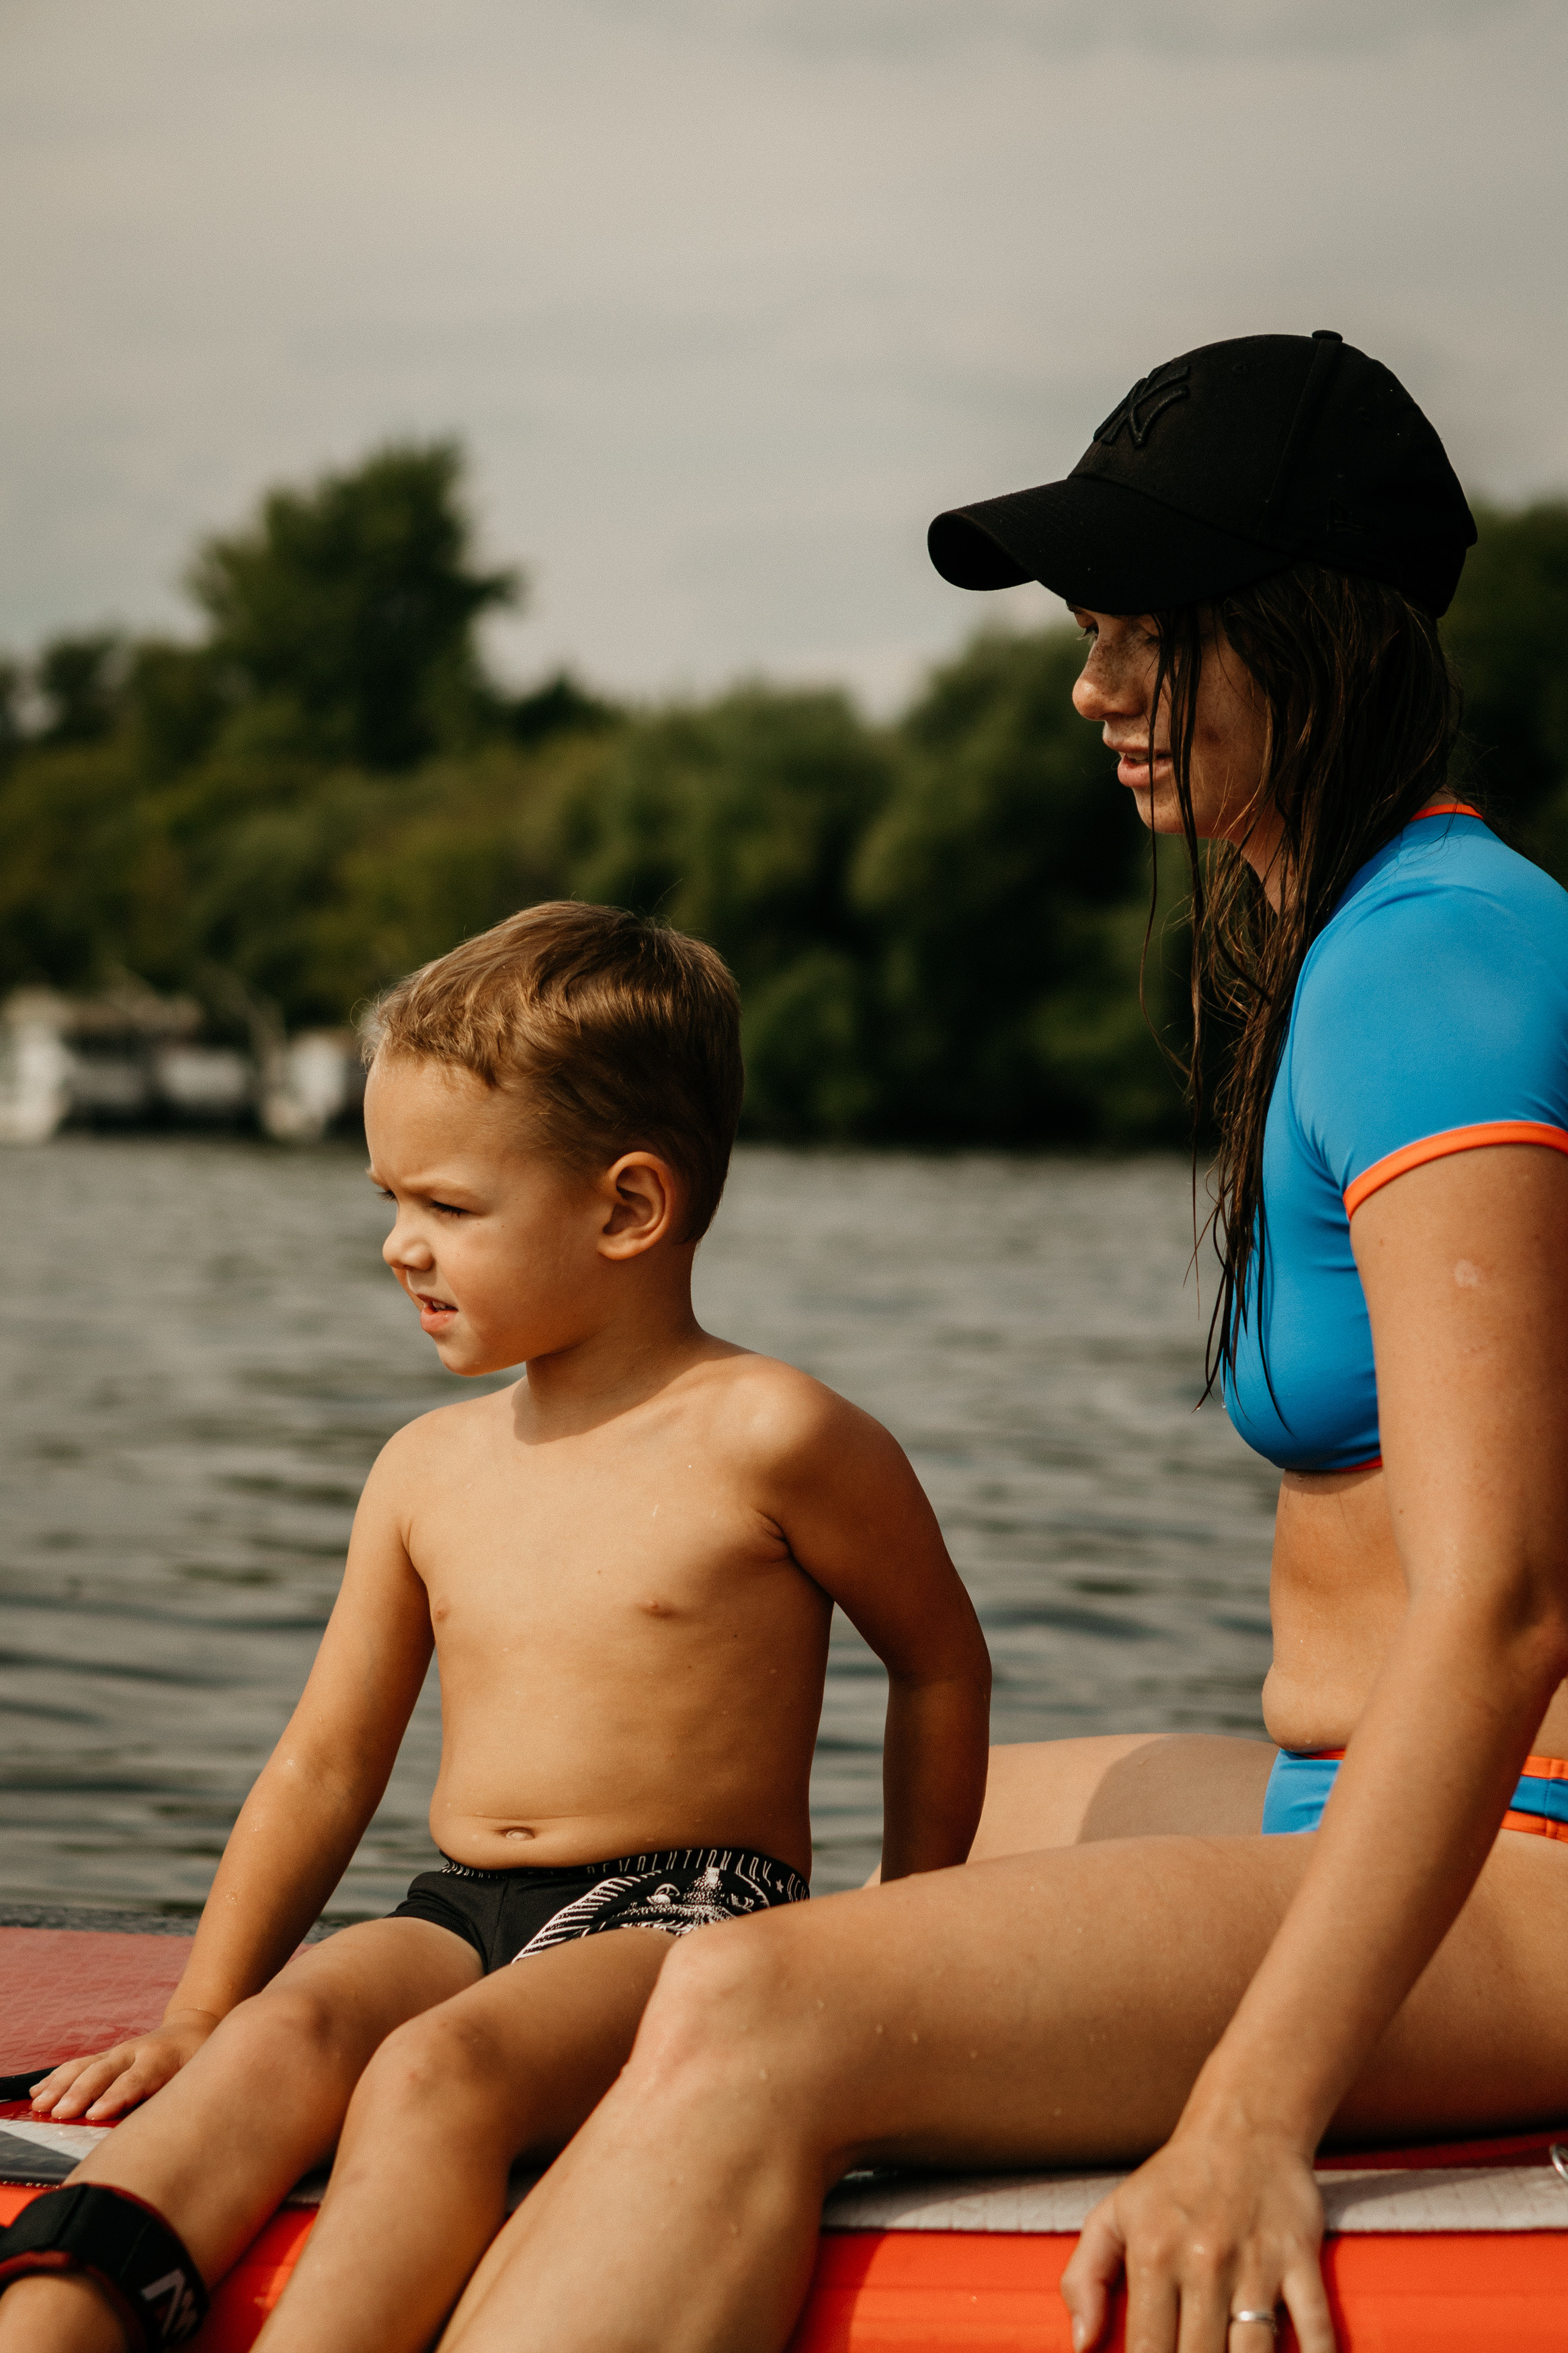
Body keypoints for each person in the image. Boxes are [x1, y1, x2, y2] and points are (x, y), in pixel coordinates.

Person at [417, 333, 1568, 2353]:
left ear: (1306, 638)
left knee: (755, 1995)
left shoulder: (1432, 961)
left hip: (1531, 1870)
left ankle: (701, 2125)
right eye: (1085, 631)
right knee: (752, 1846)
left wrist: (1243, 2109)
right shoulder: (1381, 931)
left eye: (1142, 634)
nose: (1087, 687)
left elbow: (1501, 1599)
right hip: (1354, 1795)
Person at [0, 901, 992, 2353]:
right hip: (458, 1900)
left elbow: (941, 1661)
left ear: (627, 1208)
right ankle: (59, 2322)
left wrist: (907, 1941)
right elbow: (324, 1766)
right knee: (280, 2037)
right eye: (389, 1199)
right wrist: (203, 2004)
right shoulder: (426, 1469)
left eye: (450, 1208)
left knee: (433, 2072)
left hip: (688, 1911)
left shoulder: (777, 1433)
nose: (402, 1246)